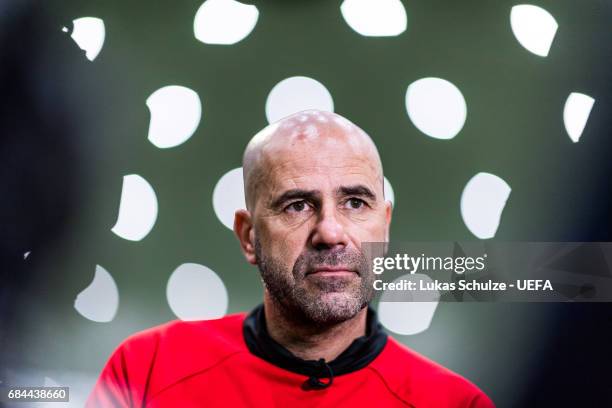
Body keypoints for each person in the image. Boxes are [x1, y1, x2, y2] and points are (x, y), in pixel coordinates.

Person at [86, 110, 495, 407]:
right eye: (297, 205)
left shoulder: (456, 403)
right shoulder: (147, 368)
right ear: (249, 237)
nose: (330, 232)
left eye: (355, 202)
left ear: (384, 227)